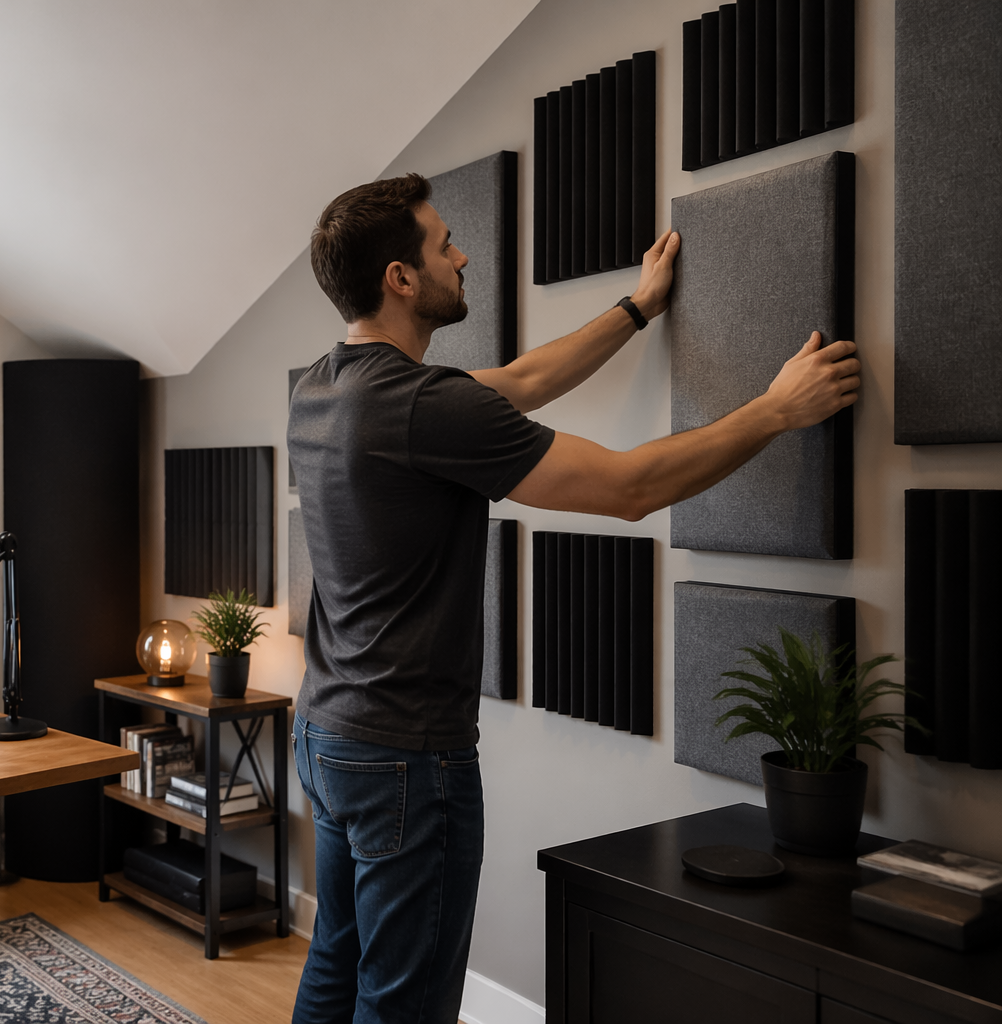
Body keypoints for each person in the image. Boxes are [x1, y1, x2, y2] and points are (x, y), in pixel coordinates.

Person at [286, 173, 859, 1024]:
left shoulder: (325, 388)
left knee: (335, 965)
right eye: (443, 243)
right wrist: (773, 411)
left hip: (327, 737)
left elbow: (520, 378)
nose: (463, 252)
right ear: (400, 279)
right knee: (402, 1004)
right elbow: (629, 489)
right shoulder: (422, 405)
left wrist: (637, 308)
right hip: (408, 760)